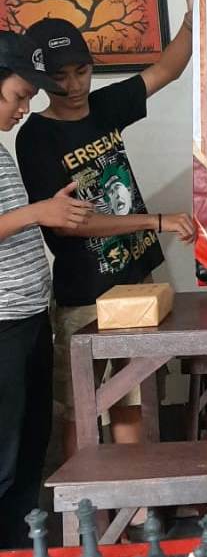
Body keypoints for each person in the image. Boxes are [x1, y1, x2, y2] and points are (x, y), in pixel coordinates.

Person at [14, 0, 200, 459]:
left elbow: (167, 69)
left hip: (135, 279)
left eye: (82, 71)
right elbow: (66, 223)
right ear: (39, 81)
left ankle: (135, 497)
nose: (75, 86)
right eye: (61, 77)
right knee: (82, 407)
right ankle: (83, 505)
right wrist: (153, 221)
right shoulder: (35, 137)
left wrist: (189, 17)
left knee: (133, 399)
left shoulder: (104, 106)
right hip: (84, 293)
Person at [0, 32, 92, 548]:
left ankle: (20, 541)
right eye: (18, 96)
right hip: (3, 327)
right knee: (6, 452)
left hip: (28, 317)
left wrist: (48, 209)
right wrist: (39, 211)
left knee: (32, 443)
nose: (24, 110)